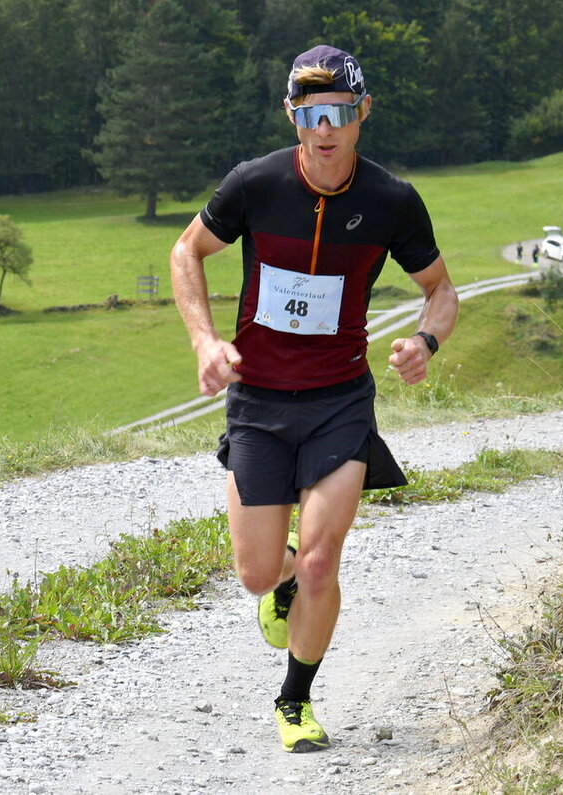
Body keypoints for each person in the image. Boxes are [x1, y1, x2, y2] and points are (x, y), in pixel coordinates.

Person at [169, 44, 459, 753]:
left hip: (338, 401)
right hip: (259, 402)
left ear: (363, 115)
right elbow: (186, 253)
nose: (324, 129)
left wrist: (425, 342)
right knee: (257, 573)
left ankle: (294, 700)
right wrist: (207, 342)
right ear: (293, 117)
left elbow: (441, 289)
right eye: (309, 114)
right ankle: (285, 575)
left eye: (338, 113)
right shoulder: (255, 184)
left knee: (327, 559)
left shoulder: (391, 201)